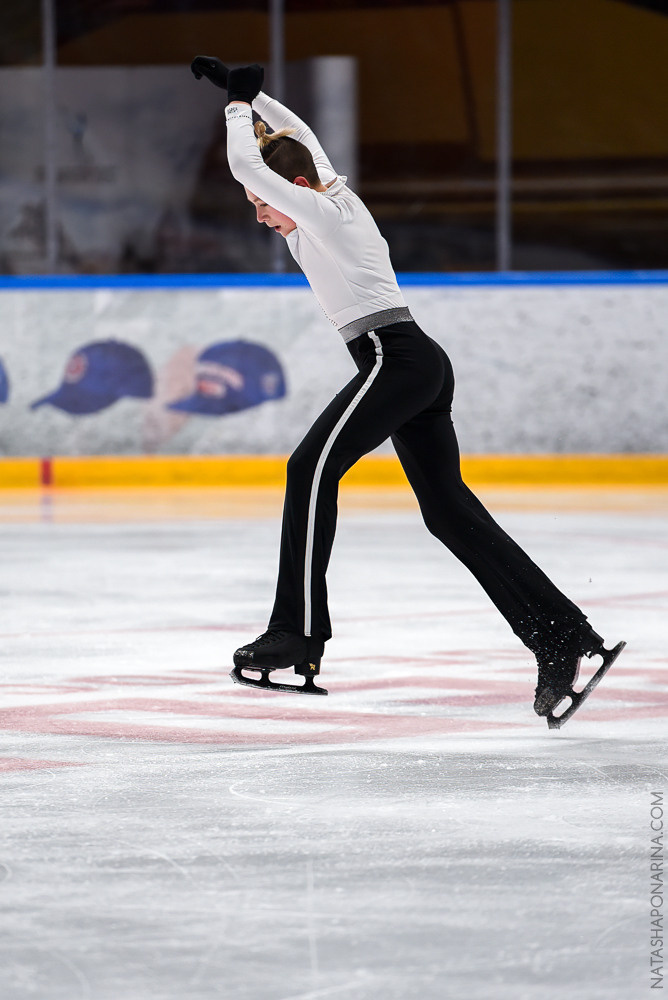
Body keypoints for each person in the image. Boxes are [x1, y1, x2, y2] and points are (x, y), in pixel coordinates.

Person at [190, 56, 624, 726]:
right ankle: (563, 638)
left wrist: (234, 113)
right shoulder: (329, 197)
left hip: (397, 358)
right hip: (410, 360)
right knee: (447, 513)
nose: (258, 216)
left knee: (309, 468)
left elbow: (254, 164)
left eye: (262, 205)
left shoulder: (326, 213)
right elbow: (298, 134)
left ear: (297, 188)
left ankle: (298, 635)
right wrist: (251, 97)